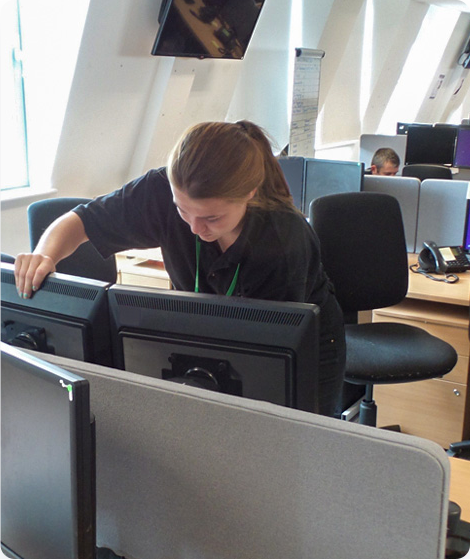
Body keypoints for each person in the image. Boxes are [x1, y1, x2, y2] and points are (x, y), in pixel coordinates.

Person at [14, 120, 346, 417]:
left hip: (302, 340)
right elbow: (82, 220)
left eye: (212, 218)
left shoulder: (282, 244)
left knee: (290, 436)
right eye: (182, 210)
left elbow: (270, 354)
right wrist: (44, 255)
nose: (194, 229)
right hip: (206, 327)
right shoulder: (159, 189)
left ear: (249, 193)